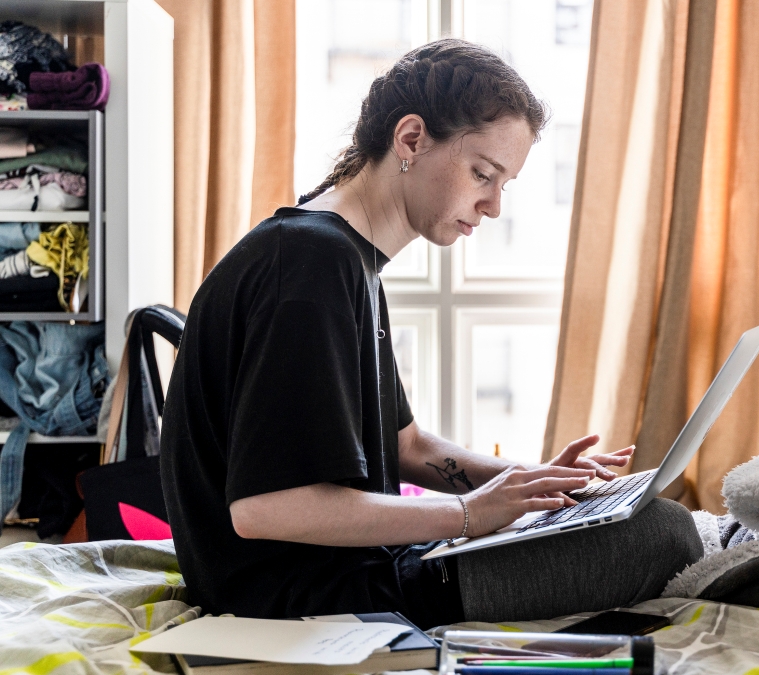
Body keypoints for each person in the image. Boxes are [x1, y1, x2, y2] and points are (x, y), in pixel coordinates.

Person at [160, 39, 702, 630]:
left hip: (351, 572)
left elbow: (407, 448)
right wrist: (466, 514)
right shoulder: (310, 266)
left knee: (649, 523)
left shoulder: (344, 258)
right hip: (305, 596)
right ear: (411, 139)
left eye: (503, 185)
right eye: (483, 174)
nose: (492, 206)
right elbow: (265, 509)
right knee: (663, 534)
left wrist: (534, 485)